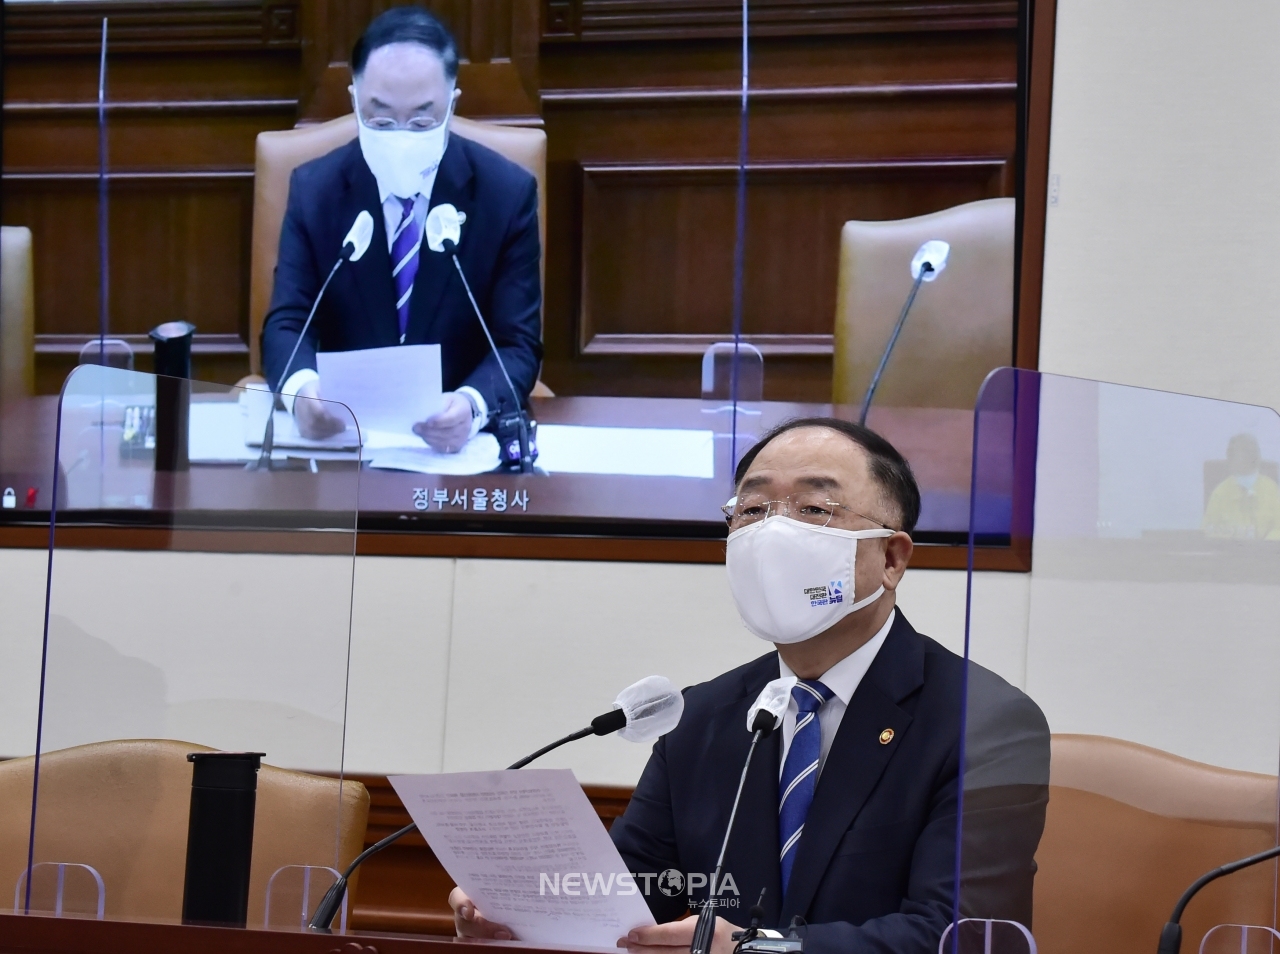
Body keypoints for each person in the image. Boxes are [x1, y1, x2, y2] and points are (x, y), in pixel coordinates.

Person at [449, 417, 1050, 954]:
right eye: (753, 510)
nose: (772, 535)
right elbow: (640, 889)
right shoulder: (702, 715)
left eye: (815, 509)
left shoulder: (984, 722)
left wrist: (758, 950)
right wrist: (520, 911)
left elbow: (958, 935)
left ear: (892, 557)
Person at [261, 6, 542, 453]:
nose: (401, 136)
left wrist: (471, 406)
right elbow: (288, 322)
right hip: (346, 444)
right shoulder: (316, 191)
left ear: (452, 104)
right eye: (381, 119)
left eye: (422, 121)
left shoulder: (504, 195)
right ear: (354, 101)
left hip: (456, 451)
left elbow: (517, 344)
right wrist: (302, 396)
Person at [1203, 432, 1280, 539]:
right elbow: (1207, 530)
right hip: (1230, 552)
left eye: (1249, 455)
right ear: (1230, 461)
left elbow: (1278, 528)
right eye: (1239, 456)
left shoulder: (1271, 489)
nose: (1245, 460)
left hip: (1265, 552)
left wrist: (1265, 545)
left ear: (1256, 459)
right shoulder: (1220, 492)